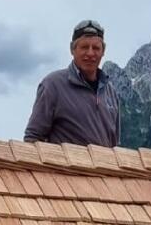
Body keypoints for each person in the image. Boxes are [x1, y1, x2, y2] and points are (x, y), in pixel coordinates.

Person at [23, 19, 120, 147]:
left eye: (96, 48)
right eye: (84, 47)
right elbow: (32, 138)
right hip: (65, 166)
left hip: (104, 166)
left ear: (103, 52)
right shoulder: (52, 85)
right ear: (72, 50)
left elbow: (115, 144)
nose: (90, 53)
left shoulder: (111, 92)